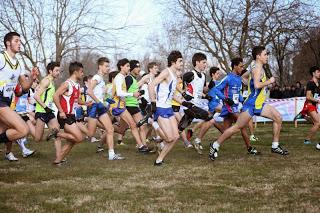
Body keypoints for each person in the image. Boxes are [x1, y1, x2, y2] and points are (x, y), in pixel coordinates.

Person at [209, 46, 289, 161]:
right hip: (251, 104)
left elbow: (243, 78)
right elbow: (257, 85)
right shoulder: (257, 69)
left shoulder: (256, 68)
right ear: (258, 56)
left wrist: (250, 83)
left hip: (259, 104)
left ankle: (275, 146)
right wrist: (269, 82)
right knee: (237, 127)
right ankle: (215, 145)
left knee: (278, 117)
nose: (267, 56)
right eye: (265, 54)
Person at [148, 50, 193, 165]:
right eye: (180, 61)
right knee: (169, 138)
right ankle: (154, 123)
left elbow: (172, 94)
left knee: (176, 137)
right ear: (173, 62)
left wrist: (185, 103)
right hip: (160, 108)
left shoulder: (174, 76)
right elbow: (151, 85)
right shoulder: (166, 72)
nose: (182, 63)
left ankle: (159, 160)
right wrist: (153, 103)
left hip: (169, 108)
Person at [213, 57, 259, 155]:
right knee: (242, 125)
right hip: (229, 107)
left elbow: (238, 94)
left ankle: (213, 123)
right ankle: (250, 148)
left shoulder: (239, 79)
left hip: (235, 106)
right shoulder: (228, 77)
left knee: (227, 133)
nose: (242, 68)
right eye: (241, 66)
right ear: (235, 66)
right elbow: (216, 89)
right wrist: (225, 99)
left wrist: (243, 101)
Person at [34, 61, 77, 163]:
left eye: (59, 70)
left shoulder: (52, 82)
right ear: (50, 71)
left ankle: (59, 158)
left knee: (56, 133)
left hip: (49, 112)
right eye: (56, 70)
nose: (58, 73)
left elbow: (51, 97)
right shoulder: (46, 81)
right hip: (41, 112)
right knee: (37, 138)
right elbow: (36, 96)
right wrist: (45, 107)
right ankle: (27, 127)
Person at [0, 32, 33, 161]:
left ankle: (8, 153)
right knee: (23, 129)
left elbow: (24, 87)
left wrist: (31, 78)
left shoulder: (19, 63)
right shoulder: (2, 57)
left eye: (20, 41)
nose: (19, 44)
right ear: (8, 43)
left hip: (7, 101)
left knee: (5, 130)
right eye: (16, 41)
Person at [86, 57, 124, 160]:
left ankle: (111, 155)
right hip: (94, 106)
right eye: (106, 66)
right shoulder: (97, 78)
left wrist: (106, 101)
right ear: (100, 66)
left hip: (100, 107)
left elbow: (99, 94)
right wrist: (98, 102)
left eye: (109, 66)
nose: (108, 68)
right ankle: (76, 125)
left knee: (110, 129)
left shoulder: (101, 79)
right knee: (90, 134)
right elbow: (89, 91)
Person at [53, 62, 90, 164]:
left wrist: (86, 103)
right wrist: (61, 111)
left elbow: (77, 100)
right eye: (81, 72)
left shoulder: (77, 85)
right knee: (79, 138)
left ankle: (58, 160)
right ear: (75, 72)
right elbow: (55, 96)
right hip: (64, 115)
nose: (83, 74)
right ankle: (57, 134)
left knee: (72, 141)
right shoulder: (66, 84)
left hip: (72, 115)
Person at [110, 58, 150, 152]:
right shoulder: (121, 77)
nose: (129, 68)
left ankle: (143, 146)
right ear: (121, 67)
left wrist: (137, 96)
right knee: (132, 125)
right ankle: (141, 146)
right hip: (123, 105)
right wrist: (133, 94)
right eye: (127, 66)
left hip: (126, 105)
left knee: (123, 129)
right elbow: (120, 92)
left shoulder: (123, 77)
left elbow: (122, 92)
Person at [294, 66, 320, 146]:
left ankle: (303, 116)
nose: (319, 73)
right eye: (318, 72)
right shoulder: (310, 83)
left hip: (314, 105)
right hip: (309, 105)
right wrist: (318, 100)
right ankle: (306, 140)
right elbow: (308, 96)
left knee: (316, 123)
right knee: (318, 123)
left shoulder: (318, 83)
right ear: (313, 73)